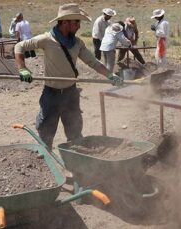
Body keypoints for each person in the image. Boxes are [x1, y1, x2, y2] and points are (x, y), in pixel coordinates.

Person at [14, 3, 123, 150]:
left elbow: (93, 62)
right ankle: (46, 154)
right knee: (46, 126)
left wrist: (110, 75)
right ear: (65, 22)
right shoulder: (47, 39)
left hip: (71, 93)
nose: (79, 26)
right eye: (76, 22)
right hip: (51, 92)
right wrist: (22, 68)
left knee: (75, 129)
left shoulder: (77, 43)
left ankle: (75, 156)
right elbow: (19, 46)